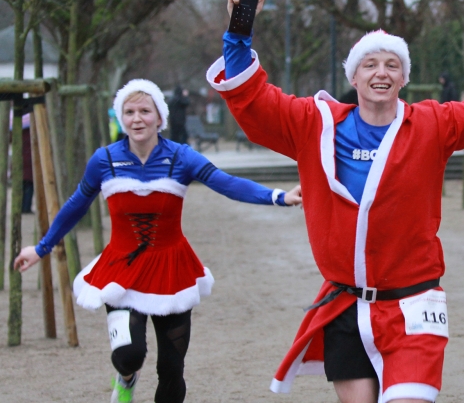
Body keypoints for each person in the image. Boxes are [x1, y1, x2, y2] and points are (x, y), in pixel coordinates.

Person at [206, 0, 464, 403]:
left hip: (413, 307)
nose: (381, 72)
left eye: (392, 65)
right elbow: (255, 102)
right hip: (344, 306)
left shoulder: (433, 124)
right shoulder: (312, 125)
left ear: (403, 78)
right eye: (370, 64)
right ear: (353, 77)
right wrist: (239, 34)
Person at [14, 78, 302, 403]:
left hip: (171, 270)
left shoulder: (181, 157)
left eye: (145, 111)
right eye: (129, 111)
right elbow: (76, 205)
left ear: (159, 117)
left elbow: (226, 183)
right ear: (120, 118)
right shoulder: (104, 160)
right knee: (128, 355)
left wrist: (278, 196)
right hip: (122, 270)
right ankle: (127, 378)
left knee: (171, 369)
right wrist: (40, 249)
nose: (137, 119)